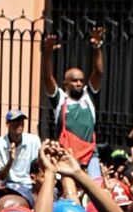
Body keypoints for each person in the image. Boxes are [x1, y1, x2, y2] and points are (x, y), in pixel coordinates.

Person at [44, 27, 107, 172]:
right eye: (74, 81)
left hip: (91, 154)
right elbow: (47, 78)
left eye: (81, 80)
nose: (79, 83)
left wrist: (97, 47)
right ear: (65, 83)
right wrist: (47, 54)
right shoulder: (60, 98)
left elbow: (99, 72)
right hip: (67, 156)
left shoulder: (88, 95)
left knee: (96, 188)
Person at [0, 109, 41, 189]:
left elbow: (39, 167)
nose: (20, 124)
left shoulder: (34, 141)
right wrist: (10, 161)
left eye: (21, 121)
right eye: (16, 121)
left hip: (30, 184)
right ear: (7, 124)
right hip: (9, 185)